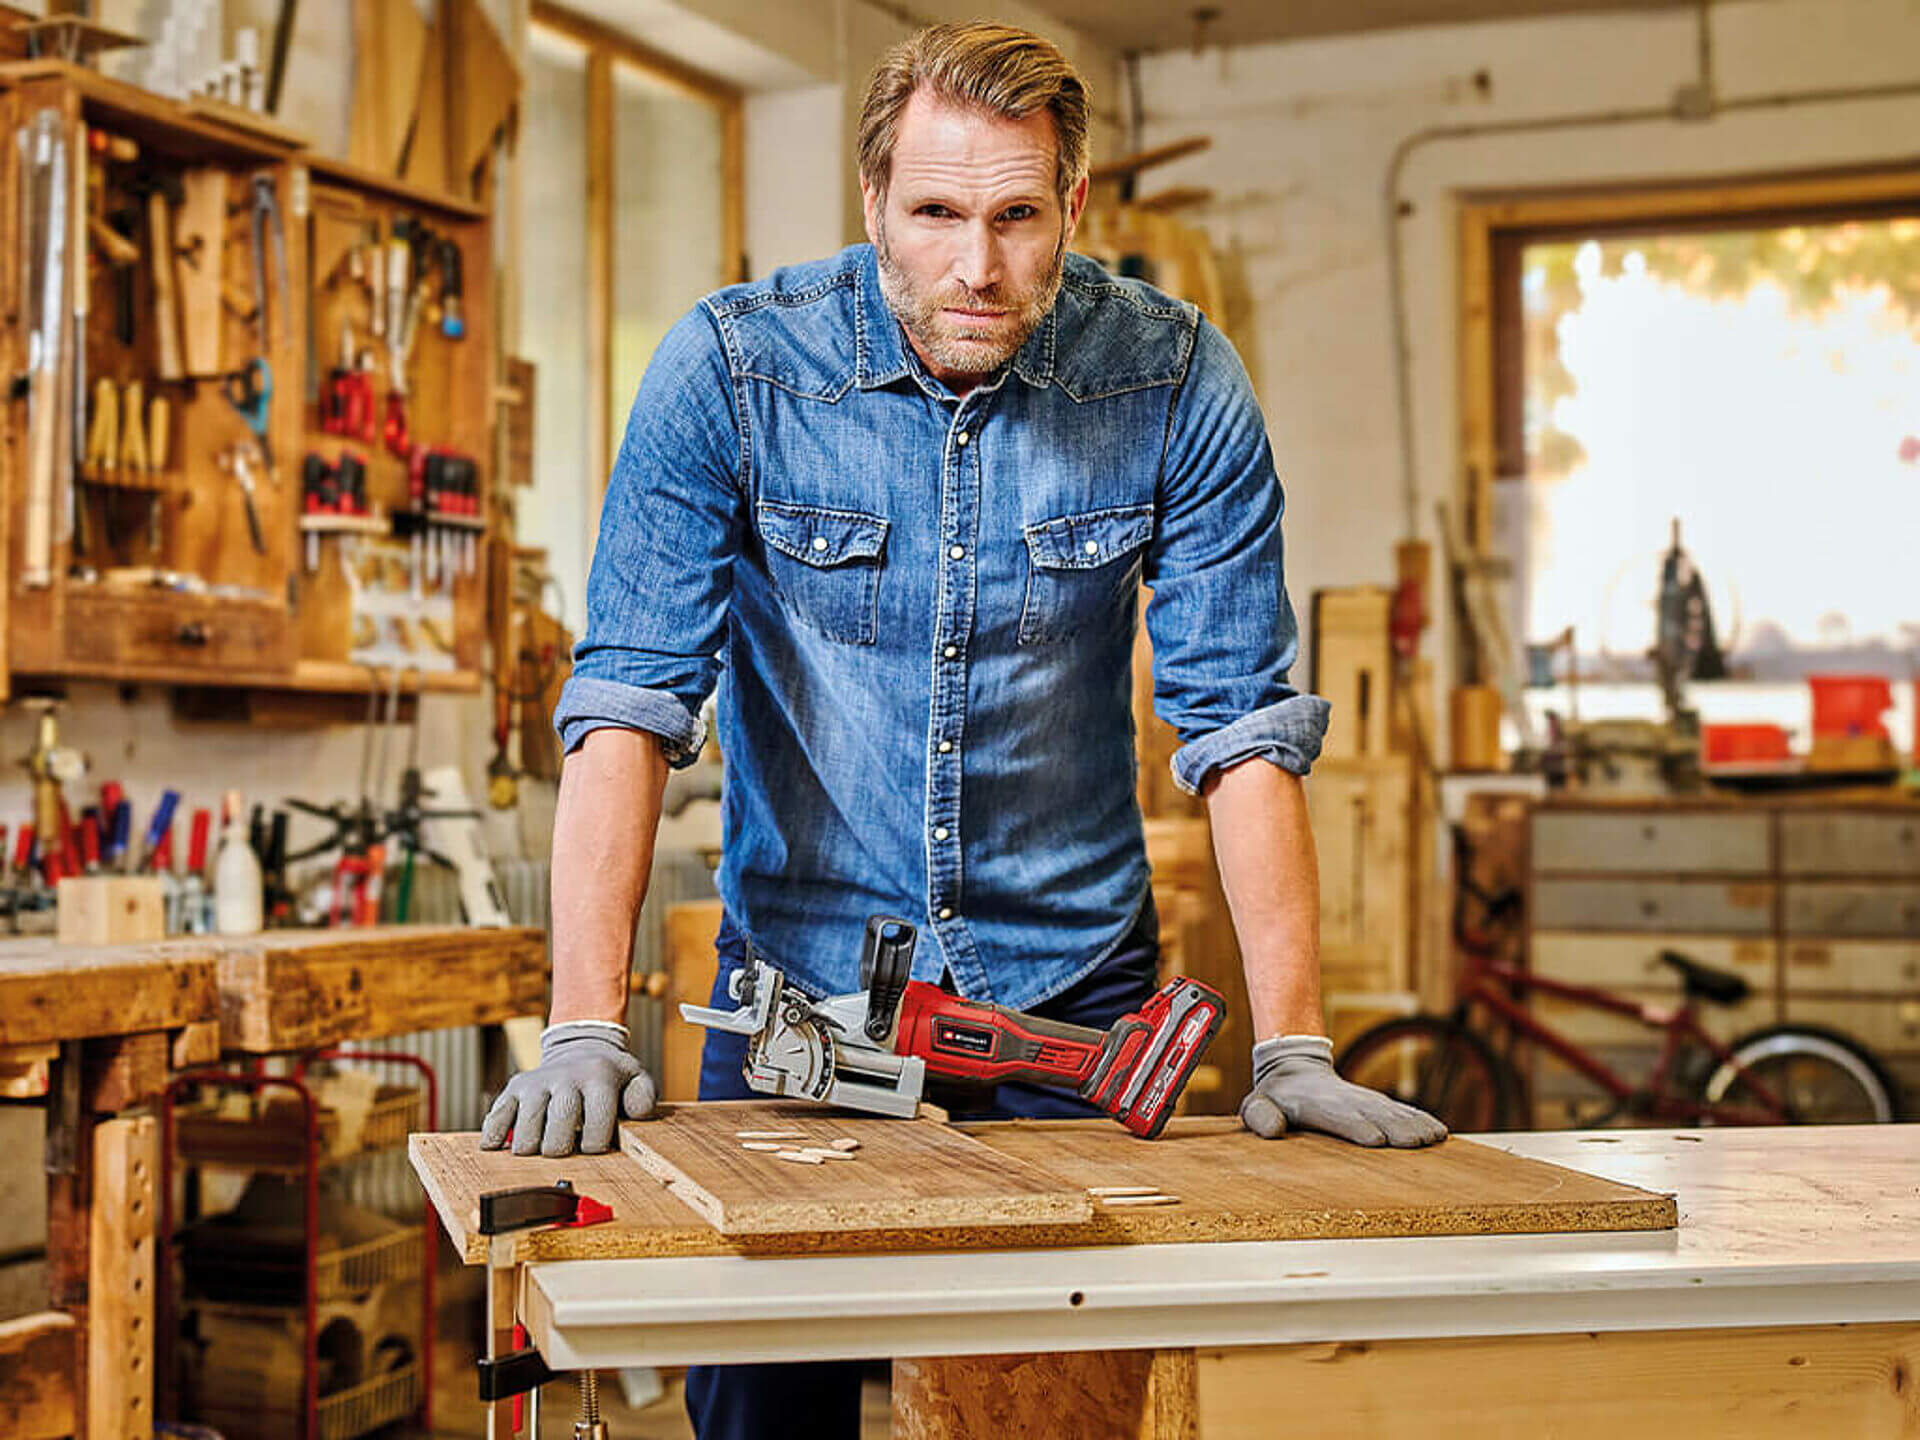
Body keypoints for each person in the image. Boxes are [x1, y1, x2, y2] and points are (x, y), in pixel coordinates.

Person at [481, 21, 1445, 1439]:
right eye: (934, 213)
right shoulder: (734, 371)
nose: (975, 267)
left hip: (1074, 1013)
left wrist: (1294, 1042)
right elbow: (629, 701)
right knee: (764, 1419)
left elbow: (1240, 724)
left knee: (1063, 1413)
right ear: (873, 201)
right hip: (802, 1007)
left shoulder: (1174, 380)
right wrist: (579, 1019)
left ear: (1076, 206)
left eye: (1015, 216)